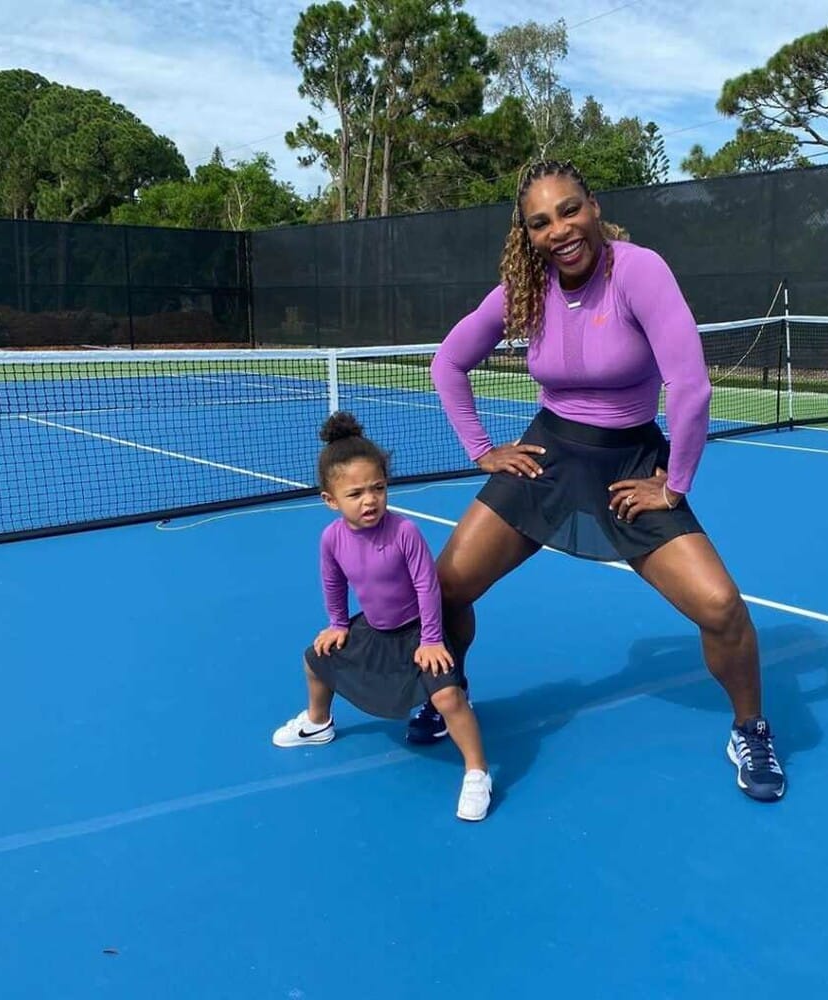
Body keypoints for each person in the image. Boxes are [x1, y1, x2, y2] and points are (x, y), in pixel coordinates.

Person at [408, 159, 785, 802]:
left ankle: (750, 728)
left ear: (593, 205)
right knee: (444, 590)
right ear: (526, 234)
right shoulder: (522, 291)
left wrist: (676, 484)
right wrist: (481, 450)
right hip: (547, 457)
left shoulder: (639, 270)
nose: (560, 229)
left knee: (722, 609)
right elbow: (449, 362)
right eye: (541, 221)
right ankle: (449, 694)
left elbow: (689, 386)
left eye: (570, 209)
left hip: (630, 466)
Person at [273, 411, 493, 821]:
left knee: (448, 696)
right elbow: (333, 582)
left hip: (418, 630)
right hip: (373, 629)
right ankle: (318, 722)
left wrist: (431, 639)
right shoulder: (332, 538)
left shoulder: (404, 531)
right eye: (355, 494)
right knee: (314, 659)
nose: (370, 500)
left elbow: (428, 587)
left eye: (377, 488)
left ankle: (477, 772)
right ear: (330, 500)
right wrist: (338, 624)